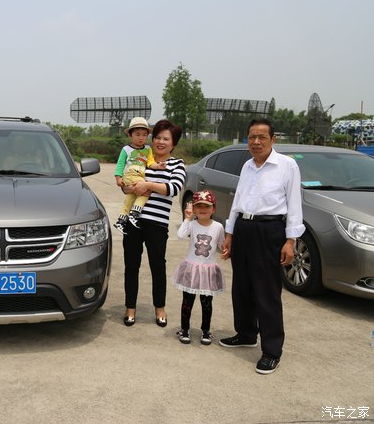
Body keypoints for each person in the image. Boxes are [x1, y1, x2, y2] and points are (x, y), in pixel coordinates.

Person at [219, 118, 304, 375]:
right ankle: (246, 333)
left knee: (267, 291)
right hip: (244, 228)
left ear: (273, 139)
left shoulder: (287, 166)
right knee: (242, 286)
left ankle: (271, 351)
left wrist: (290, 241)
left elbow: (295, 204)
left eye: (262, 137)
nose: (256, 142)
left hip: (270, 230)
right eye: (252, 137)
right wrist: (230, 233)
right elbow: (238, 201)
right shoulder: (247, 165)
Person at [121, 119, 185, 328]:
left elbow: (173, 188)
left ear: (173, 143)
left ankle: (160, 308)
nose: (160, 142)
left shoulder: (177, 164)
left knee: (157, 266)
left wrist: (147, 184)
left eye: (166, 139)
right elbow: (127, 183)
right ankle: (130, 308)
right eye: (157, 137)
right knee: (131, 266)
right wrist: (129, 186)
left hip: (157, 224)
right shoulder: (142, 157)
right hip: (133, 220)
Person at [171, 190, 226, 345]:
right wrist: (187, 218)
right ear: (193, 208)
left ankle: (205, 331)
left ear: (214, 209)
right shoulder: (192, 225)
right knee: (187, 302)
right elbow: (180, 235)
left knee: (207, 304)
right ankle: (185, 329)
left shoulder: (218, 227)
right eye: (199, 206)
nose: (203, 209)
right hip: (191, 270)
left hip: (208, 271)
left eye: (207, 206)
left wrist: (227, 249)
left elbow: (221, 244)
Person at [113, 117, 161, 234]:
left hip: (140, 175)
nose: (141, 138)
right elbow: (120, 164)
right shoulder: (126, 149)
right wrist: (118, 178)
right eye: (138, 135)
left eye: (144, 135)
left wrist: (158, 166)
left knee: (130, 198)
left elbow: (150, 162)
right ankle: (134, 213)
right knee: (146, 192)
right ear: (130, 135)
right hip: (131, 174)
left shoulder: (148, 149)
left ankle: (121, 220)